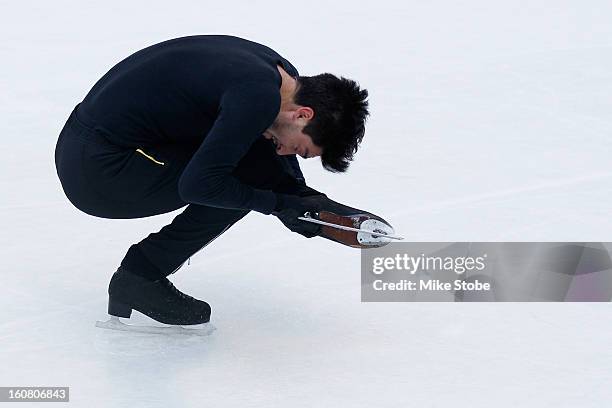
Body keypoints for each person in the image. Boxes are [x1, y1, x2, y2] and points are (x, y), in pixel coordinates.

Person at [55, 35, 369, 326]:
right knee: (238, 179)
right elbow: (200, 185)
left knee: (253, 159)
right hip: (98, 172)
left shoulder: (278, 75)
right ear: (303, 115)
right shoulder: (256, 96)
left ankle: (142, 273)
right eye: (300, 149)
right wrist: (278, 204)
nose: (287, 152)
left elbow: (258, 145)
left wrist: (302, 199)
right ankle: (141, 275)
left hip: (89, 143)